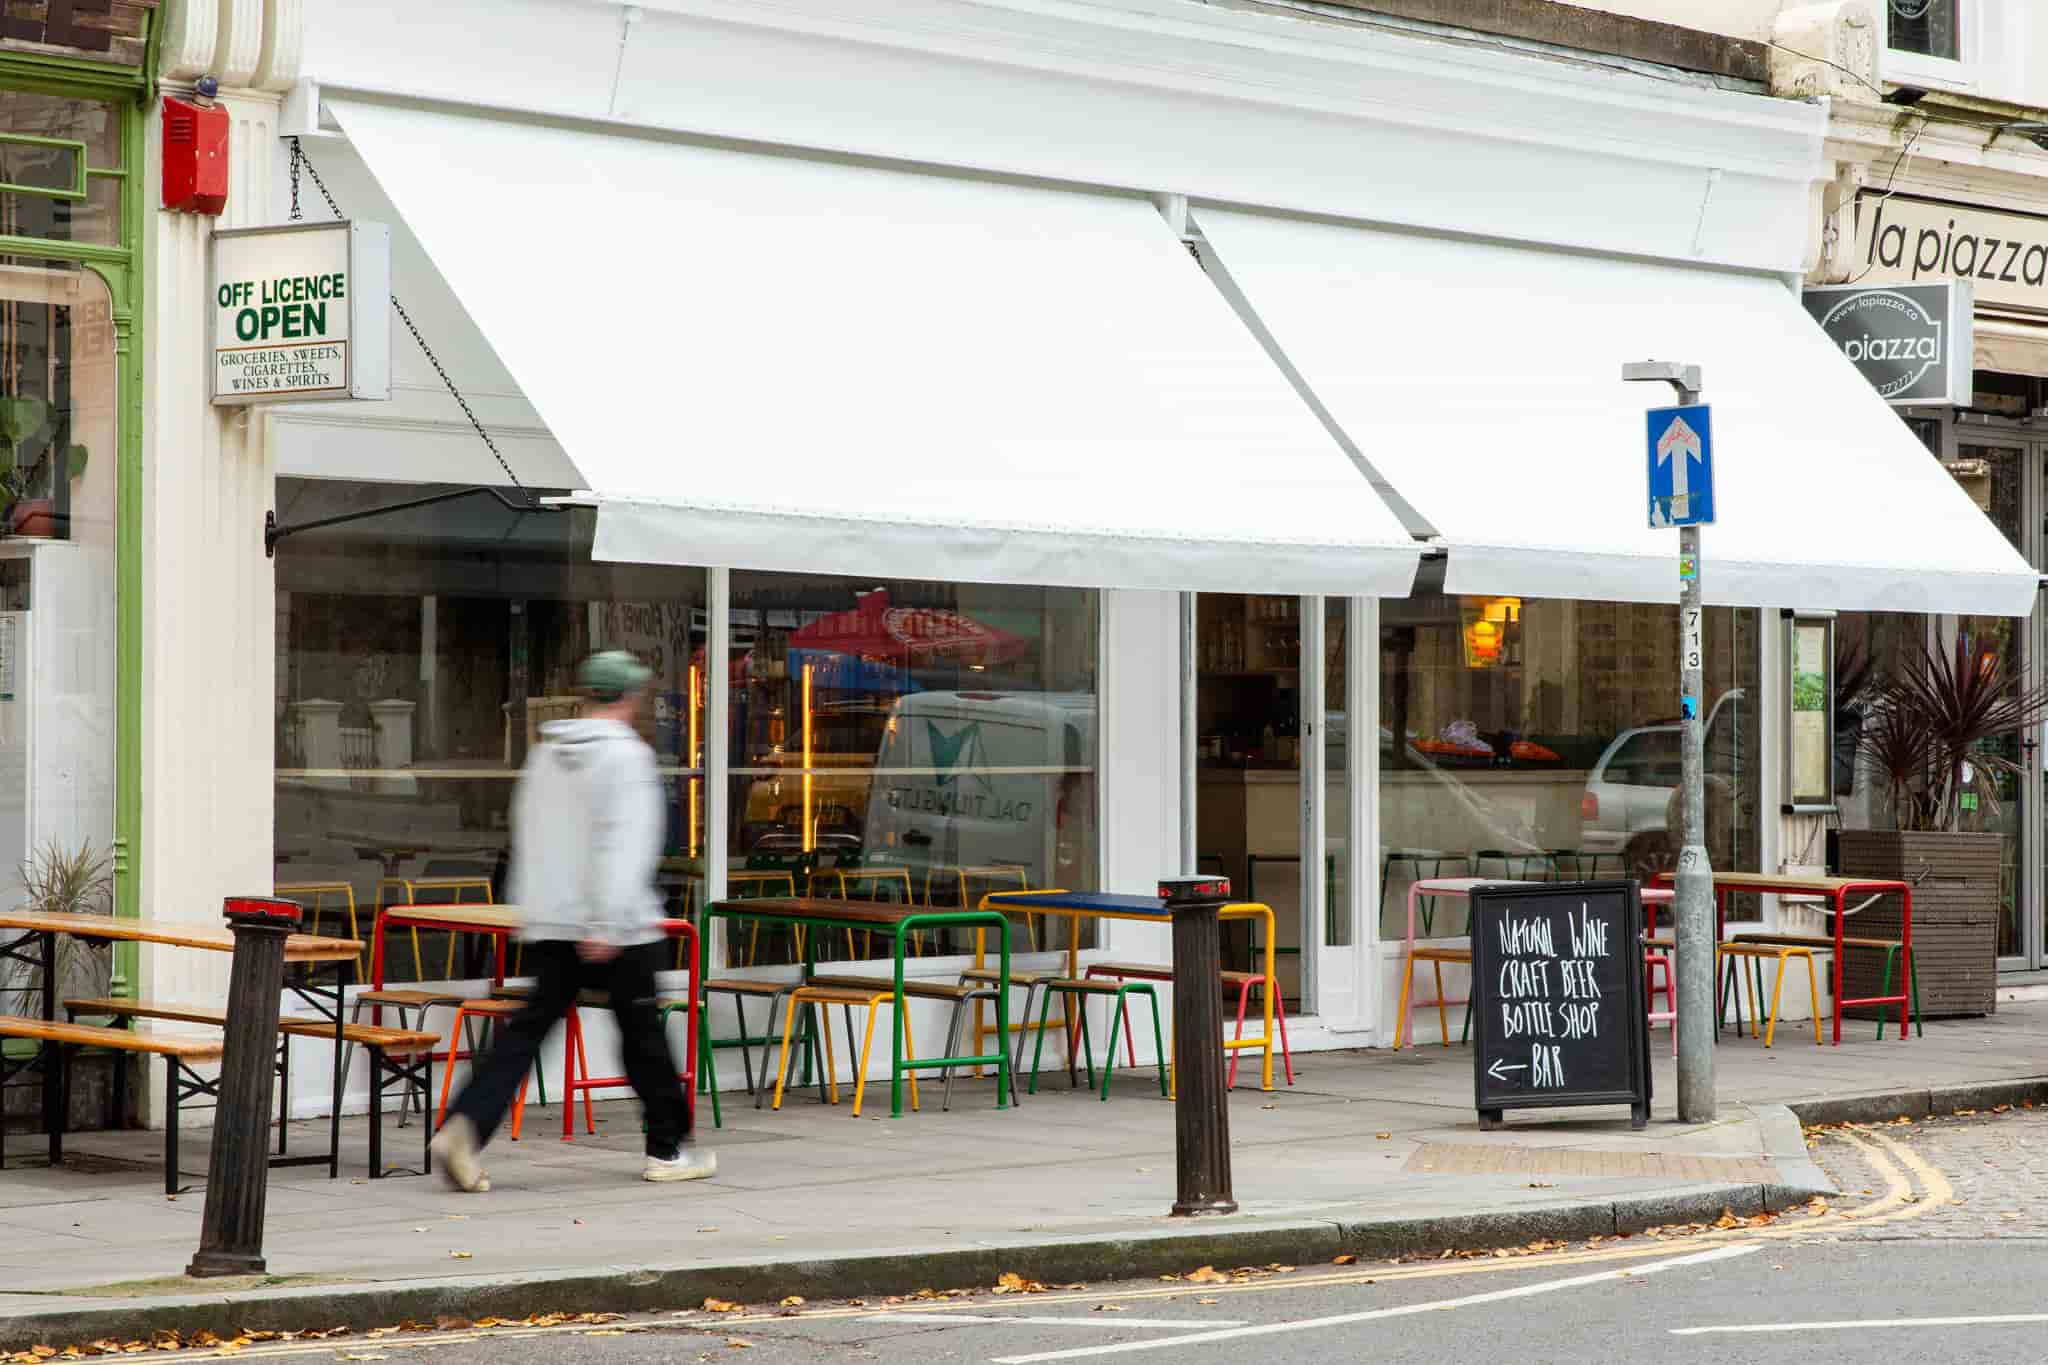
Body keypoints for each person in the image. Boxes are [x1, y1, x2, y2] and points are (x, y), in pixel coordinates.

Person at [430, 650, 715, 1190]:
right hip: (613, 924)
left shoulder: (547, 754)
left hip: (551, 918)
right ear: (630, 697)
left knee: (526, 1031)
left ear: (587, 693)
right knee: (643, 1036)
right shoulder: (627, 758)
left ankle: (465, 1126)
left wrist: (536, 911)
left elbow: (527, 835)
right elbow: (626, 845)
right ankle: (669, 1148)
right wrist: (606, 922)